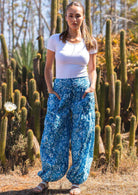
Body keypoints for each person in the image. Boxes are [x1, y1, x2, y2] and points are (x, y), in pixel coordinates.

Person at [32, 1, 98, 194]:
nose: (74, 19)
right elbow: (48, 67)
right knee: (52, 134)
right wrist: (50, 88)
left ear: (83, 17)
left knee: (82, 135)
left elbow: (92, 69)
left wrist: (92, 86)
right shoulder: (55, 40)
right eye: (71, 15)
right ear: (65, 17)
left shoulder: (90, 42)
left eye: (78, 15)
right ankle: (46, 179)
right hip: (60, 90)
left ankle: (76, 182)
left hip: (83, 91)